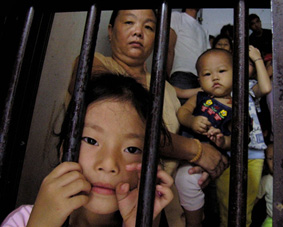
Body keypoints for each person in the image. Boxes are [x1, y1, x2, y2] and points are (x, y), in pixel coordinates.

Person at [68, 9, 228, 227]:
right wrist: (196, 151)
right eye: (129, 22)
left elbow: (177, 141)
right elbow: (133, 128)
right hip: (99, 204)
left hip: (160, 209)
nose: (138, 32)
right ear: (110, 31)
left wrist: (197, 168)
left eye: (149, 27)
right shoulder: (92, 63)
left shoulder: (167, 90)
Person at [1, 74, 174, 227]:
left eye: (131, 149)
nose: (108, 164)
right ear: (65, 149)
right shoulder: (24, 220)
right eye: (91, 140)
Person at [175, 49, 233, 227]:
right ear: (199, 80)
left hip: (208, 161)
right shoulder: (199, 97)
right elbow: (182, 112)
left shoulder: (238, 107)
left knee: (188, 180)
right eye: (207, 74)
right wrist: (191, 121)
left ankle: (195, 222)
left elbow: (238, 138)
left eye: (221, 71)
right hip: (185, 150)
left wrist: (223, 141)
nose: (215, 78)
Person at [215, 45, 272, 227]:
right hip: (227, 151)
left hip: (254, 152)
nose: (243, 66)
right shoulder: (221, 87)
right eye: (238, 62)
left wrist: (257, 58)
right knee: (226, 201)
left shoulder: (248, 87)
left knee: (246, 203)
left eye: (248, 64)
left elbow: (266, 87)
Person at [167, 8, 210, 105]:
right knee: (178, 113)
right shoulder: (177, 16)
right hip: (181, 75)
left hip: (200, 79)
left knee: (195, 117)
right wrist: (169, 76)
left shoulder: (204, 29)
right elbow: (169, 47)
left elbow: (207, 56)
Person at [257, 143, 273, 227]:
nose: (274, 162)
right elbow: (253, 200)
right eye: (270, 158)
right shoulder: (266, 180)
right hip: (272, 219)